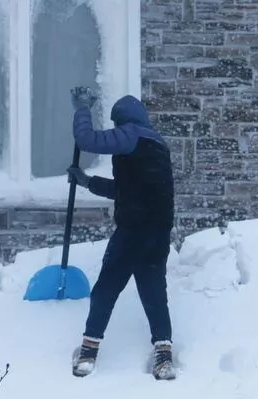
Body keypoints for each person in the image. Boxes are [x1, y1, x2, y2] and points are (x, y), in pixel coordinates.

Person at [66, 86, 176, 381]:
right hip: (158, 232)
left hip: (134, 230)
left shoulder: (132, 134)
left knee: (105, 290)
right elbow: (124, 189)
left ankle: (88, 351)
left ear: (124, 121)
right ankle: (163, 357)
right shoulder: (156, 144)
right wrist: (87, 182)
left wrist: (82, 109)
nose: (115, 130)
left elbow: (86, 139)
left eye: (116, 124)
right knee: (154, 293)